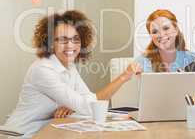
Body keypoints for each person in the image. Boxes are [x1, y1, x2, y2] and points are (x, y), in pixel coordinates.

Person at [4, 10, 140, 138]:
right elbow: (88, 106)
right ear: (51, 43)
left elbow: (90, 99)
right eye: (63, 39)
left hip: (48, 132)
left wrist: (72, 106)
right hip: (23, 134)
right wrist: (123, 77)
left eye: (76, 39)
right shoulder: (42, 69)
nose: (70, 45)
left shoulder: (69, 66)